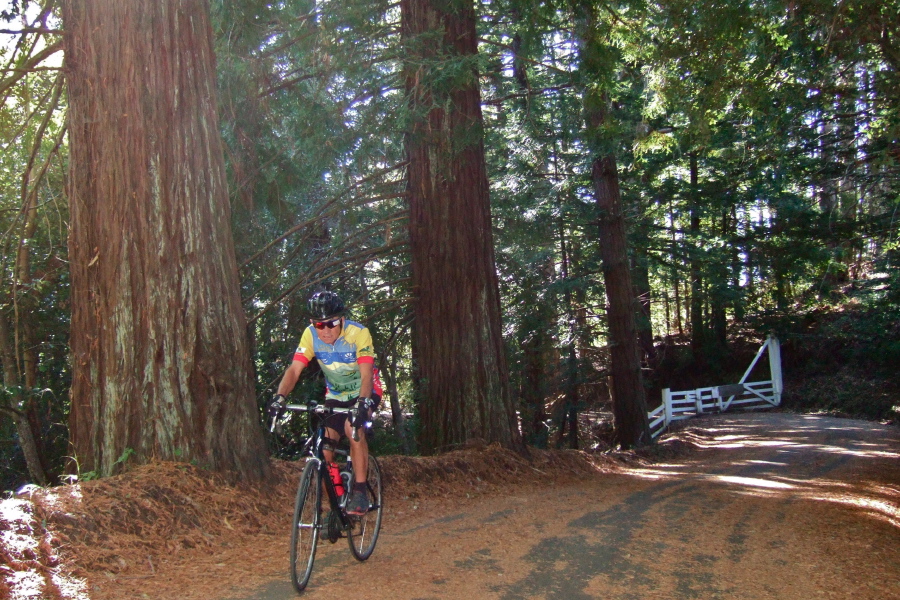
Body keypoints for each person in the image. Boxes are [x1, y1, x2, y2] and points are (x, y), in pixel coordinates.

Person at [269, 291, 382, 516]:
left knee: (353, 429)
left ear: (341, 319)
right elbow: (294, 369)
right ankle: (337, 499)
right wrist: (280, 397)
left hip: (365, 390)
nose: (326, 330)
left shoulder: (358, 333)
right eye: (320, 325)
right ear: (313, 324)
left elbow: (367, 374)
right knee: (323, 447)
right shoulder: (310, 335)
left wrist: (362, 404)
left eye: (331, 323)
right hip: (336, 395)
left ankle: (359, 490)